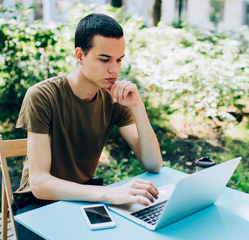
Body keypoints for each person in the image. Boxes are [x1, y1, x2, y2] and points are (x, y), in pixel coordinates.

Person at [13, 13, 163, 239]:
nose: (114, 69)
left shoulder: (114, 99)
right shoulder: (42, 95)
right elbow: (40, 184)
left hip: (84, 196)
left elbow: (153, 164)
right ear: (80, 56)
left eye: (119, 59)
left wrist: (137, 106)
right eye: (105, 59)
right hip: (38, 204)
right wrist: (110, 193)